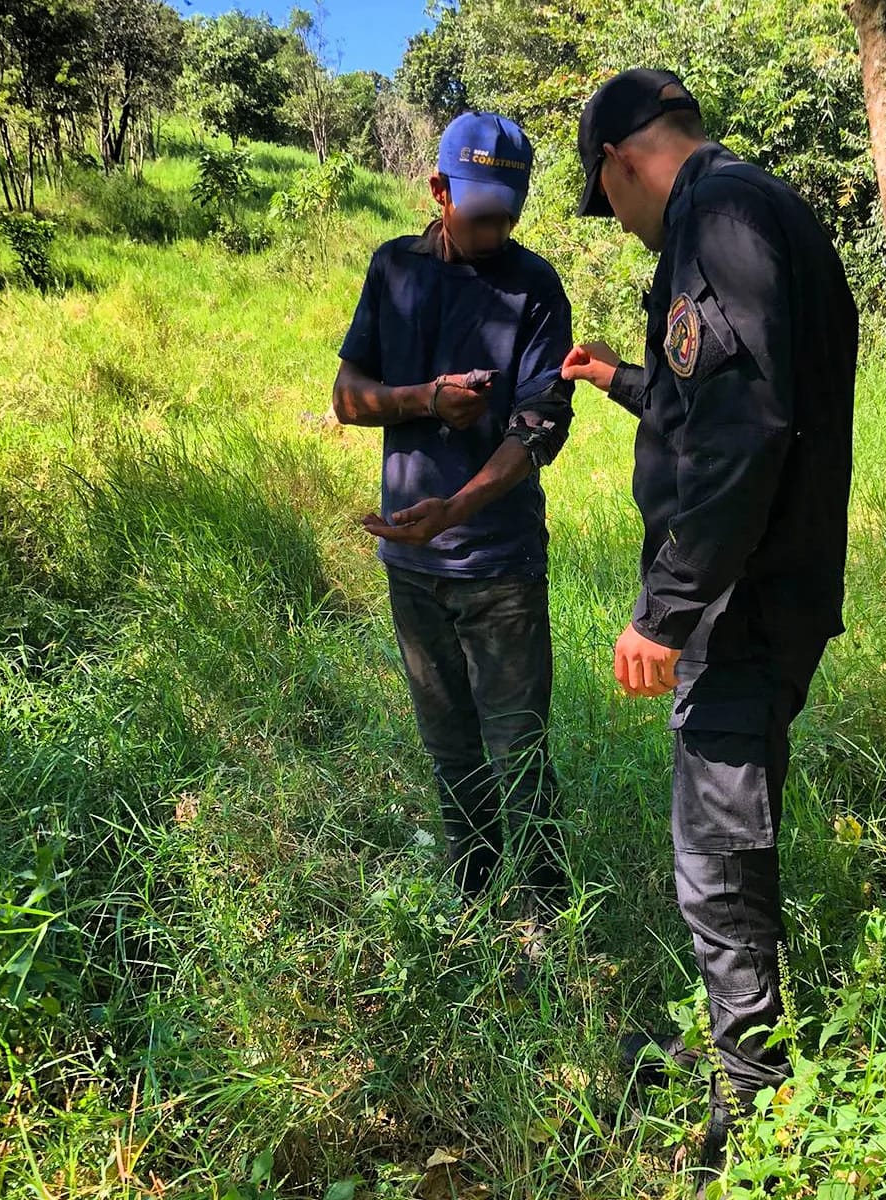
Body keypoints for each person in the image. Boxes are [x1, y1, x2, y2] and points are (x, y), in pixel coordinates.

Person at [562, 69, 858, 1185]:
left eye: (612, 205)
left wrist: (666, 608)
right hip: (768, 582)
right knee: (719, 833)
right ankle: (739, 1047)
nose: (625, 228)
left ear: (621, 164)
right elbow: (727, 398)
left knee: (716, 851)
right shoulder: (762, 208)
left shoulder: (714, 218)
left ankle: (756, 1103)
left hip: (743, 598)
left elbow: (742, 435)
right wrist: (625, 379)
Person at [333, 111, 575, 915]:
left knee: (520, 754)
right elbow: (347, 398)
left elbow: (539, 428)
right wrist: (425, 400)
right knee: (450, 752)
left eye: (510, 211)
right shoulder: (394, 270)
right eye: (480, 212)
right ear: (438, 191)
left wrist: (459, 508)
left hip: (499, 568)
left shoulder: (534, 287)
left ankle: (546, 920)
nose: (496, 228)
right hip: (412, 569)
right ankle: (473, 901)